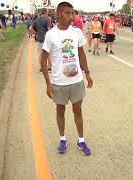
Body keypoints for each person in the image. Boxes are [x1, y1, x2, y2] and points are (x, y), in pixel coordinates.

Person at [41, 1, 94, 156]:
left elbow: (82, 54)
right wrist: (47, 83)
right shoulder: (51, 34)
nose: (71, 16)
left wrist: (88, 73)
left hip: (76, 80)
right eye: (67, 13)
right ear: (58, 14)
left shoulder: (76, 32)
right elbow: (43, 60)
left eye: (72, 13)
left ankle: (81, 140)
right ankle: (62, 138)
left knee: (78, 111)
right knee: (60, 110)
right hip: (59, 83)